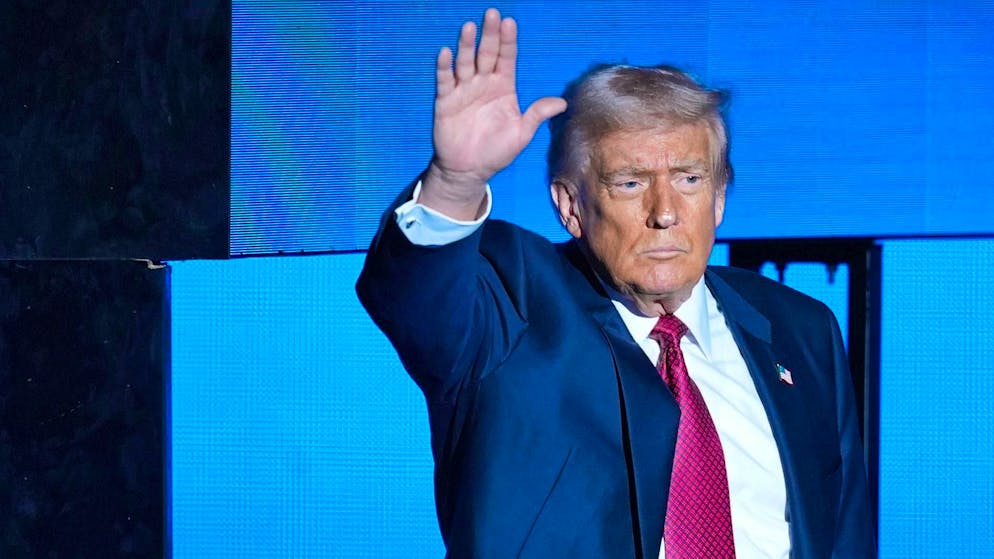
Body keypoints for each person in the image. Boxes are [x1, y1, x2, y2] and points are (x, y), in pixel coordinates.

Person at [357, 7, 874, 559]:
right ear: (571, 206)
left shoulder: (799, 329)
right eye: (630, 183)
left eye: (689, 179)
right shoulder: (512, 301)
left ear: (720, 195)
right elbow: (414, 298)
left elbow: (842, 534)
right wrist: (455, 182)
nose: (665, 212)